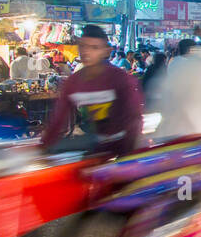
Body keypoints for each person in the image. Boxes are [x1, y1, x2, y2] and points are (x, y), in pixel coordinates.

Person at [40, 24, 144, 155]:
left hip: (123, 145)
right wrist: (43, 147)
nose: (86, 52)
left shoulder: (120, 78)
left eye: (94, 47)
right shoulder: (73, 83)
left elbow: (135, 118)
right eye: (83, 46)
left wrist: (129, 155)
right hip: (94, 144)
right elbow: (58, 120)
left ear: (106, 51)